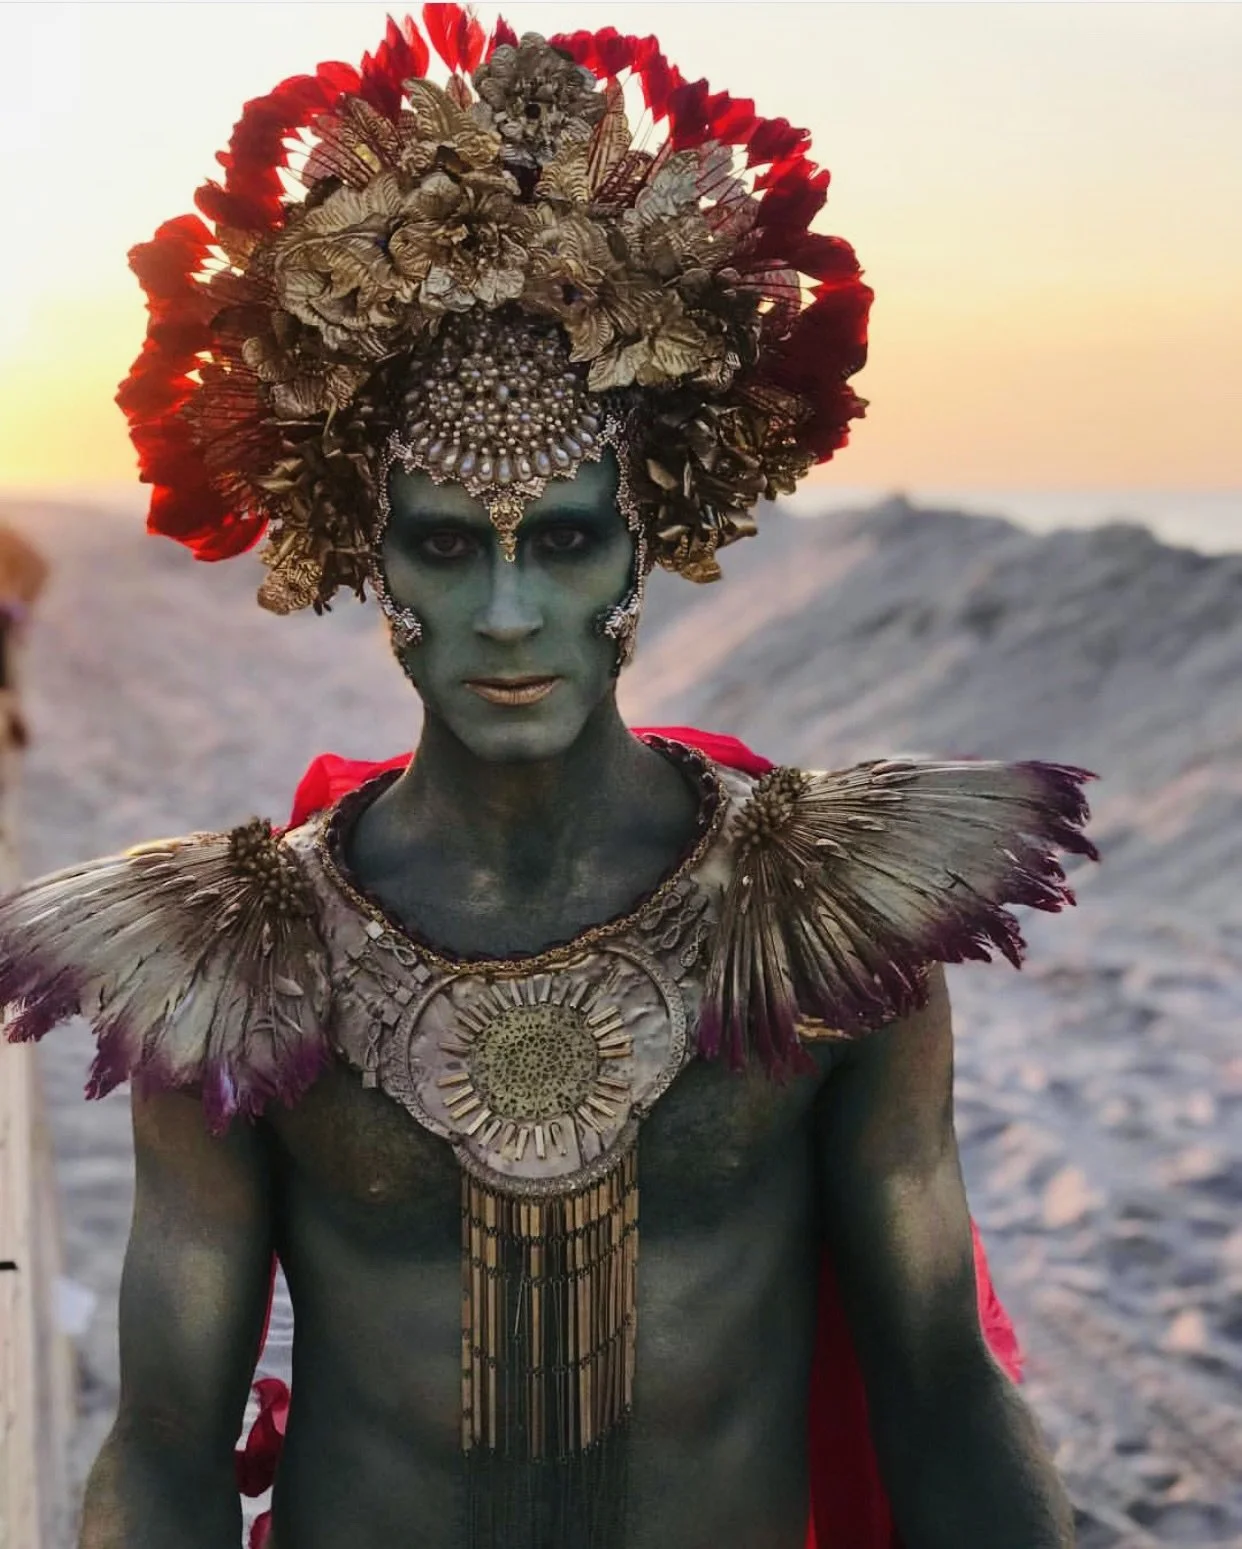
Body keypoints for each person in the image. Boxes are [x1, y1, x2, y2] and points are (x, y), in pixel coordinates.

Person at [0, 11, 1097, 1548]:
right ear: (373, 563)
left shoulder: (830, 924)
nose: (508, 613)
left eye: (566, 539)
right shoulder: (236, 961)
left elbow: (938, 1383)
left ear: (645, 551)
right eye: (448, 546)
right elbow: (169, 1439)